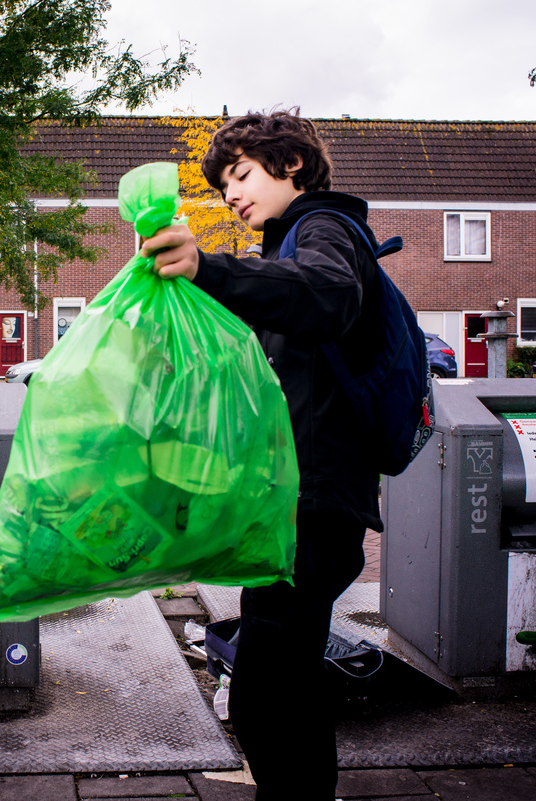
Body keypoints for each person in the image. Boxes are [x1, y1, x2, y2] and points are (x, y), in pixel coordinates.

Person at [142, 109, 381, 800]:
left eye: (241, 174)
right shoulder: (289, 248)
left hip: (315, 504)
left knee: (269, 695)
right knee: (283, 686)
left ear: (292, 165)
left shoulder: (325, 231)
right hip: (296, 502)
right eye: (222, 186)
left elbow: (327, 297)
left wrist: (210, 266)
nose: (231, 194)